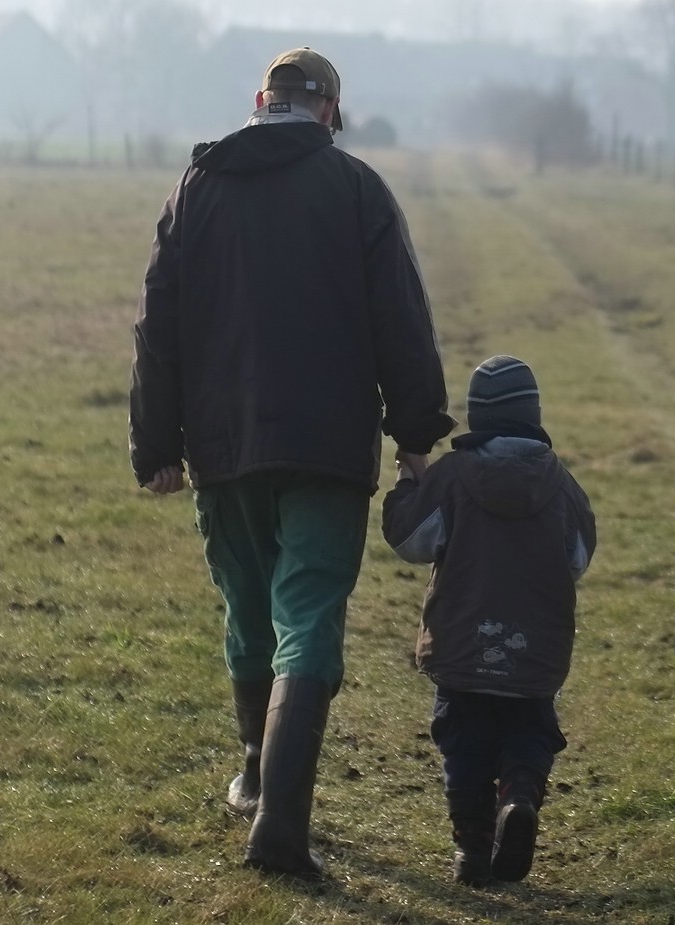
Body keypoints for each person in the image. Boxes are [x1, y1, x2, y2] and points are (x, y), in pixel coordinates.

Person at [128, 47, 455, 879]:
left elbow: (156, 323)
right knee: (306, 615)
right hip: (326, 450)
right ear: (328, 113)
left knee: (249, 613)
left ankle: (251, 766)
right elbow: (402, 316)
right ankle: (281, 820)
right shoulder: (357, 191)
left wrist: (156, 446)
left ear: (259, 100)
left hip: (224, 446)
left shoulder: (197, 188)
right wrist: (415, 429)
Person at [382, 356, 597, 887]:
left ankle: (472, 852)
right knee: (529, 732)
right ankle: (519, 799)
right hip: (535, 650)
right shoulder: (561, 483)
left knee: (464, 741)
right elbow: (579, 557)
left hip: (463, 646)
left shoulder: (452, 476)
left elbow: (410, 540)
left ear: (477, 418)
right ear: (533, 414)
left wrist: (410, 484)